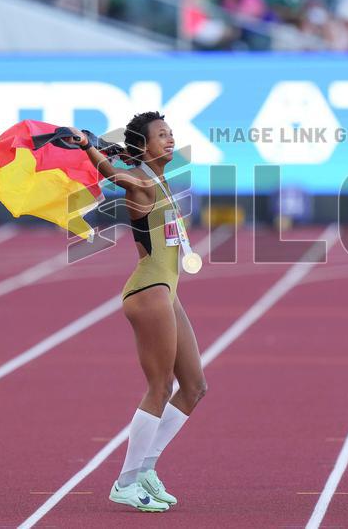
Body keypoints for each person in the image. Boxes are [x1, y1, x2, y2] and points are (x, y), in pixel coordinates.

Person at [64, 112, 206, 513]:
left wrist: (116, 150)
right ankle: (125, 481)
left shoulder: (158, 179)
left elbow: (123, 164)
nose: (170, 140)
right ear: (144, 146)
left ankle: (145, 469)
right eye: (161, 135)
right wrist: (88, 146)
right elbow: (112, 175)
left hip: (167, 291)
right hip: (149, 292)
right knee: (160, 387)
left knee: (194, 387)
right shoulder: (141, 182)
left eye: (171, 133)